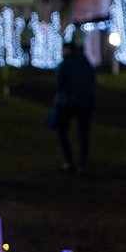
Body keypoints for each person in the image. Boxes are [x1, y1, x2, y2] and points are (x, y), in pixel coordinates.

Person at [52, 40, 97, 173]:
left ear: (66, 50)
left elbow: (59, 82)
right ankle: (82, 165)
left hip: (68, 101)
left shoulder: (65, 64)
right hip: (86, 102)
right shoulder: (85, 62)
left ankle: (69, 161)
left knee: (62, 130)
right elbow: (91, 79)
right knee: (84, 134)